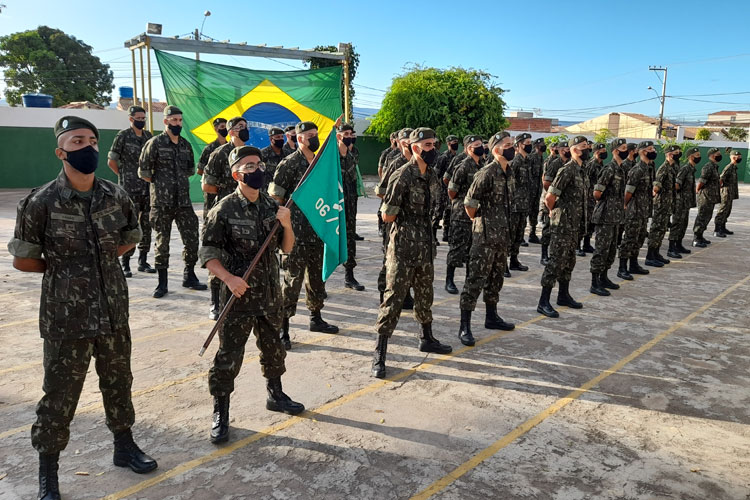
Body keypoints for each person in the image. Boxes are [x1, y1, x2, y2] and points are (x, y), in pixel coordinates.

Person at [9, 116, 158, 500]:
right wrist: (64, 269)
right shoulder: (40, 202)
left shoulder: (116, 194)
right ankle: (49, 474)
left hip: (112, 311)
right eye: (77, 141)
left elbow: (130, 237)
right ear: (61, 152)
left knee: (118, 383)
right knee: (59, 396)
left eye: (92, 140)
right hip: (65, 317)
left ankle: (124, 447)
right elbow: (24, 260)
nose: (88, 147)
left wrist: (101, 262)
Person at [201, 145, 303, 444]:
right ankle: (221, 411)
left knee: (273, 349)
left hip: (269, 293)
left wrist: (286, 224)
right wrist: (229, 278)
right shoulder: (223, 209)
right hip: (238, 296)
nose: (257, 170)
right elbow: (208, 254)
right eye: (249, 166)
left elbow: (286, 247)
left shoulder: (272, 207)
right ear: (236, 174)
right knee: (229, 357)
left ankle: (276, 394)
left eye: (259, 164)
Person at [372, 127, 452, 379]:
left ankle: (426, 338)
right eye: (428, 145)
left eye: (434, 144)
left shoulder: (433, 175)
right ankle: (380, 354)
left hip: (426, 247)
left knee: (425, 294)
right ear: (415, 148)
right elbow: (387, 214)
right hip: (404, 247)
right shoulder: (402, 175)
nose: (433, 150)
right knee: (393, 298)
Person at [270, 121, 339, 351]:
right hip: (295, 234)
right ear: (299, 138)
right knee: (292, 282)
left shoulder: (320, 164)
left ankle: (315, 318)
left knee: (317, 279)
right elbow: (276, 200)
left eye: (316, 134)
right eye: (310, 135)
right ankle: (283, 327)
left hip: (317, 231)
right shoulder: (289, 164)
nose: (314, 138)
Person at [138, 105, 207, 298]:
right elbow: (144, 173)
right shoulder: (155, 143)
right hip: (161, 203)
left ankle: (189, 275)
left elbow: (189, 170)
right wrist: (162, 185)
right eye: (174, 120)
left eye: (179, 120)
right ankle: (162, 283)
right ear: (166, 121)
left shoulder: (185, 145)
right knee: (162, 243)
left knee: (192, 239)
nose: (177, 124)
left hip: (183, 202)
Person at [456, 131, 516, 346]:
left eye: (513, 143)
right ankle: (465, 326)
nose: (513, 147)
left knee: (496, 279)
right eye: (508, 144)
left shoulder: (508, 171)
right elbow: (469, 203)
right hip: (485, 236)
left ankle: (491, 317)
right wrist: (481, 222)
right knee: (475, 280)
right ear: (497, 148)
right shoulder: (487, 172)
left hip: (502, 236)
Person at [202, 116, 248, 319]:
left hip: (245, 212)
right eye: (239, 128)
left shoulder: (249, 154)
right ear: (230, 132)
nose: (244, 130)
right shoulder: (219, 154)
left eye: (246, 127)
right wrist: (226, 192)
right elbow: (207, 185)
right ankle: (215, 302)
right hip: (223, 213)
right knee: (218, 256)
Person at [537, 136, 587, 318]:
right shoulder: (567, 170)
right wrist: (553, 212)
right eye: (583, 147)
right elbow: (550, 197)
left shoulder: (582, 170)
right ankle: (543, 301)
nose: (586, 149)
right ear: (574, 149)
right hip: (563, 224)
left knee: (569, 261)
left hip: (574, 225)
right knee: (556, 262)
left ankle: (563, 295)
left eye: (587, 146)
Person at [107, 105, 155, 278]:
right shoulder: (123, 136)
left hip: (147, 188)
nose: (141, 121)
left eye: (143, 118)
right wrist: (123, 175)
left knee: (147, 225)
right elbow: (111, 161)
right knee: (129, 224)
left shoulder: (148, 137)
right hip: (129, 189)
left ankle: (143, 261)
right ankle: (125, 262)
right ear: (131, 118)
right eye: (138, 118)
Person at [375, 128, 415, 309]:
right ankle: (383, 293)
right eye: (404, 141)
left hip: (413, 224)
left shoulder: (420, 164)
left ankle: (405, 295)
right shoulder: (395, 163)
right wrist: (396, 203)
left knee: (409, 260)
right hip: (393, 220)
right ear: (399, 143)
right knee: (390, 259)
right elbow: (381, 191)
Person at [445, 135, 484, 294]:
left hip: (475, 214)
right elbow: (451, 190)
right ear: (469, 148)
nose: (480, 147)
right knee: (457, 248)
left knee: (472, 250)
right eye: (477, 145)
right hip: (461, 214)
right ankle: (449, 280)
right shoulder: (463, 166)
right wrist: (458, 203)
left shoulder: (482, 165)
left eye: (481, 144)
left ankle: (469, 279)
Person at [591, 138, 628, 292]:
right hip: (605, 215)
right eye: (623, 148)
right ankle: (594, 282)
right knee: (601, 249)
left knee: (612, 249)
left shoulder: (621, 169)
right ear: (615, 151)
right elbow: (597, 193)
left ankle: (604, 277)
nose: (625, 150)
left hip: (616, 216)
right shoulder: (609, 169)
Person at [619, 141, 656, 275]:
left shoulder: (648, 168)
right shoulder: (637, 170)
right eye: (650, 149)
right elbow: (628, 192)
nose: (653, 151)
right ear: (643, 152)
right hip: (634, 210)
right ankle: (622, 267)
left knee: (639, 238)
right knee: (629, 238)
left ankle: (633, 264)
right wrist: (625, 205)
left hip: (643, 210)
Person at [337, 123, 365, 291]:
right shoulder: (331, 158)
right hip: (333, 209)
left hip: (350, 207)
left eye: (351, 133)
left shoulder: (351, 157)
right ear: (338, 136)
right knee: (327, 244)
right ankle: (320, 283)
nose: (349, 136)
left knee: (349, 242)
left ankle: (349, 276)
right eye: (345, 133)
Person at [645, 145, 680, 266]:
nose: (678, 155)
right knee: (656, 229)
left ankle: (656, 253)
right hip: (661, 204)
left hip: (667, 204)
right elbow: (656, 186)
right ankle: (650, 256)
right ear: (670, 154)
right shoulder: (664, 168)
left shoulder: (672, 168)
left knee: (662, 229)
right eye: (676, 153)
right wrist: (656, 190)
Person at [540, 141, 568, 265]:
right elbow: (546, 182)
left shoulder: (572, 165)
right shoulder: (555, 164)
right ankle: (544, 254)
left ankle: (556, 254)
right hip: (552, 200)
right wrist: (552, 196)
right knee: (548, 228)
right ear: (561, 150)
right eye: (565, 149)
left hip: (565, 204)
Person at [668, 147, 699, 255]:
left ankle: (678, 244)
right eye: (697, 156)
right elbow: (677, 184)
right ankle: (671, 248)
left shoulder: (691, 169)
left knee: (683, 224)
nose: (699, 158)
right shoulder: (685, 169)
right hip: (680, 202)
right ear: (691, 157)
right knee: (677, 224)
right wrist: (679, 196)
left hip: (686, 202)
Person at [197, 117, 228, 223]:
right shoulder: (209, 148)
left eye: (226, 126)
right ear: (216, 129)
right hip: (212, 192)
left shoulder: (231, 148)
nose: (225, 129)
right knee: (210, 219)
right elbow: (200, 170)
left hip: (227, 192)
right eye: (222, 127)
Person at [508, 133, 532, 270]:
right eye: (526, 143)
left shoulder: (527, 161)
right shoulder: (516, 161)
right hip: (515, 205)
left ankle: (514, 260)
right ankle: (504, 264)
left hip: (524, 205)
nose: (529, 145)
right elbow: (510, 183)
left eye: (530, 142)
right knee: (510, 235)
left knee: (519, 235)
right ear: (519, 145)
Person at [692, 147, 723, 247]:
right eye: (718, 153)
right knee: (702, 217)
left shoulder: (714, 167)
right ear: (713, 155)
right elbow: (701, 181)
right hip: (705, 197)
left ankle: (700, 236)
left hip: (711, 197)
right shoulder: (708, 167)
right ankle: (696, 238)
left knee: (707, 217)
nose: (719, 155)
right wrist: (697, 190)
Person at [580, 142, 606, 255]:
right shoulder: (591, 165)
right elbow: (584, 180)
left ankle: (586, 244)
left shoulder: (601, 165)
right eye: (602, 152)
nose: (604, 153)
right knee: (584, 221)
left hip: (596, 198)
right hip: (588, 197)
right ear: (596, 152)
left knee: (592, 222)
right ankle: (577, 246)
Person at [433, 134, 459, 244]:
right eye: (453, 142)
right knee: (438, 212)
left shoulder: (457, 157)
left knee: (449, 212)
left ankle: (446, 234)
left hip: (452, 189)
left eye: (456, 141)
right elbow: (436, 174)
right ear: (448, 143)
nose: (455, 144)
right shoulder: (443, 157)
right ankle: (433, 235)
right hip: (442, 189)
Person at [714, 150, 741, 236]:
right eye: (738, 157)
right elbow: (721, 179)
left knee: (727, 210)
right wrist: (721, 189)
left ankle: (723, 227)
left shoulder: (734, 167)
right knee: (722, 210)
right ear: (733, 157)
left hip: (730, 193)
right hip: (726, 193)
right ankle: (717, 230)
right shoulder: (729, 167)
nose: (740, 158)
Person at [527, 137, 546, 244]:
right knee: (526, 211)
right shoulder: (532, 157)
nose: (543, 146)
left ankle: (532, 233)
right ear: (537, 146)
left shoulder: (541, 157)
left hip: (537, 189)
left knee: (534, 212)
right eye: (541, 145)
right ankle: (519, 237)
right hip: (530, 190)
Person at [260, 127, 286, 191]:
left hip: (283, 190)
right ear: (271, 139)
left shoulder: (287, 153)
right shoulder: (263, 154)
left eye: (282, 137)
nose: (281, 139)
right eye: (278, 137)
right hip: (267, 190)